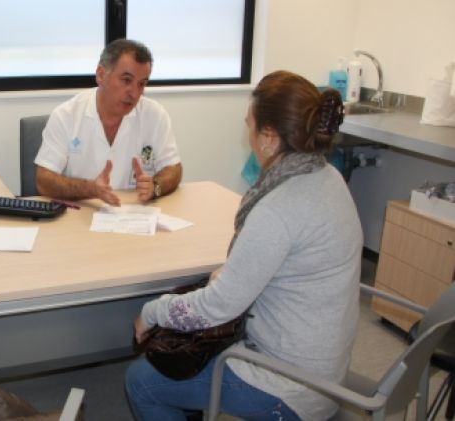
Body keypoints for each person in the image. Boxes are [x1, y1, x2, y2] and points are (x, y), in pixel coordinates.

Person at [126, 70, 362, 420]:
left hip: (290, 385)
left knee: (141, 382)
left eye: (249, 123)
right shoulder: (328, 178)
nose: (246, 132)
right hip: (324, 370)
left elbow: (216, 308)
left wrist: (152, 311)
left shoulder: (278, 208)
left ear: (268, 137)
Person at [34, 39, 182, 206]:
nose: (134, 93)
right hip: (83, 214)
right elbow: (43, 180)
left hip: (135, 214)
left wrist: (155, 187)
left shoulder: (155, 115)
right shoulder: (66, 115)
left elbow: (173, 169)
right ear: (100, 74)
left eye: (141, 84)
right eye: (126, 80)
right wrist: (90, 189)